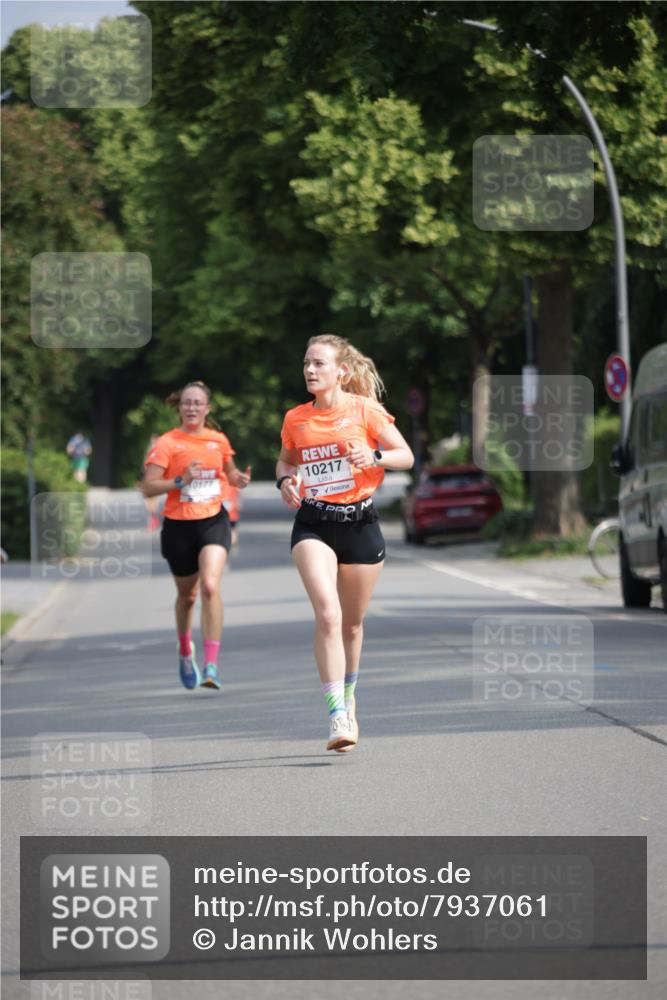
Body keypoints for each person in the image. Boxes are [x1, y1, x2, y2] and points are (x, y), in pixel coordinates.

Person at [276, 335, 414, 752]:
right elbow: (286, 459)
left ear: (342, 371)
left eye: (318, 363)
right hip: (313, 523)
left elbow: (405, 456)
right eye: (306, 363)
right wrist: (285, 479)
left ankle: (350, 697)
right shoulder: (295, 418)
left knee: (352, 623)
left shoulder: (364, 410)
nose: (310, 370)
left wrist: (374, 458)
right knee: (328, 614)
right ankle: (336, 713)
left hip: (360, 523)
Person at [143, 381, 251, 691]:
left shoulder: (218, 440)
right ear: (179, 407)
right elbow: (148, 487)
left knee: (210, 585)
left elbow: (228, 472)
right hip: (178, 526)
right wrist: (180, 480)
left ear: (207, 409)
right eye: (187, 403)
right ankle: (185, 649)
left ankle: (212, 665)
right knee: (187, 597)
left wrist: (238, 478)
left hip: (213, 520)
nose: (192, 408)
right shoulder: (167, 443)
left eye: (197, 403)